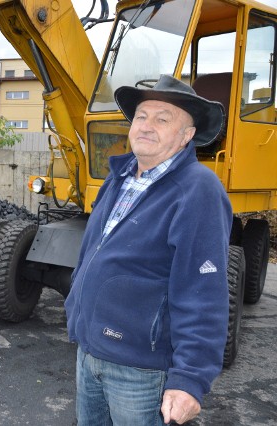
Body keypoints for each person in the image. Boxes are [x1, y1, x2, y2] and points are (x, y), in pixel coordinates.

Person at [64, 75, 232, 425]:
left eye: (163, 118)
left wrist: (189, 379)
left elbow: (203, 293)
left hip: (140, 369)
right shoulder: (120, 176)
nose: (146, 125)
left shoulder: (197, 190)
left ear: (186, 136)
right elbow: (92, 253)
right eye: (141, 116)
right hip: (90, 352)